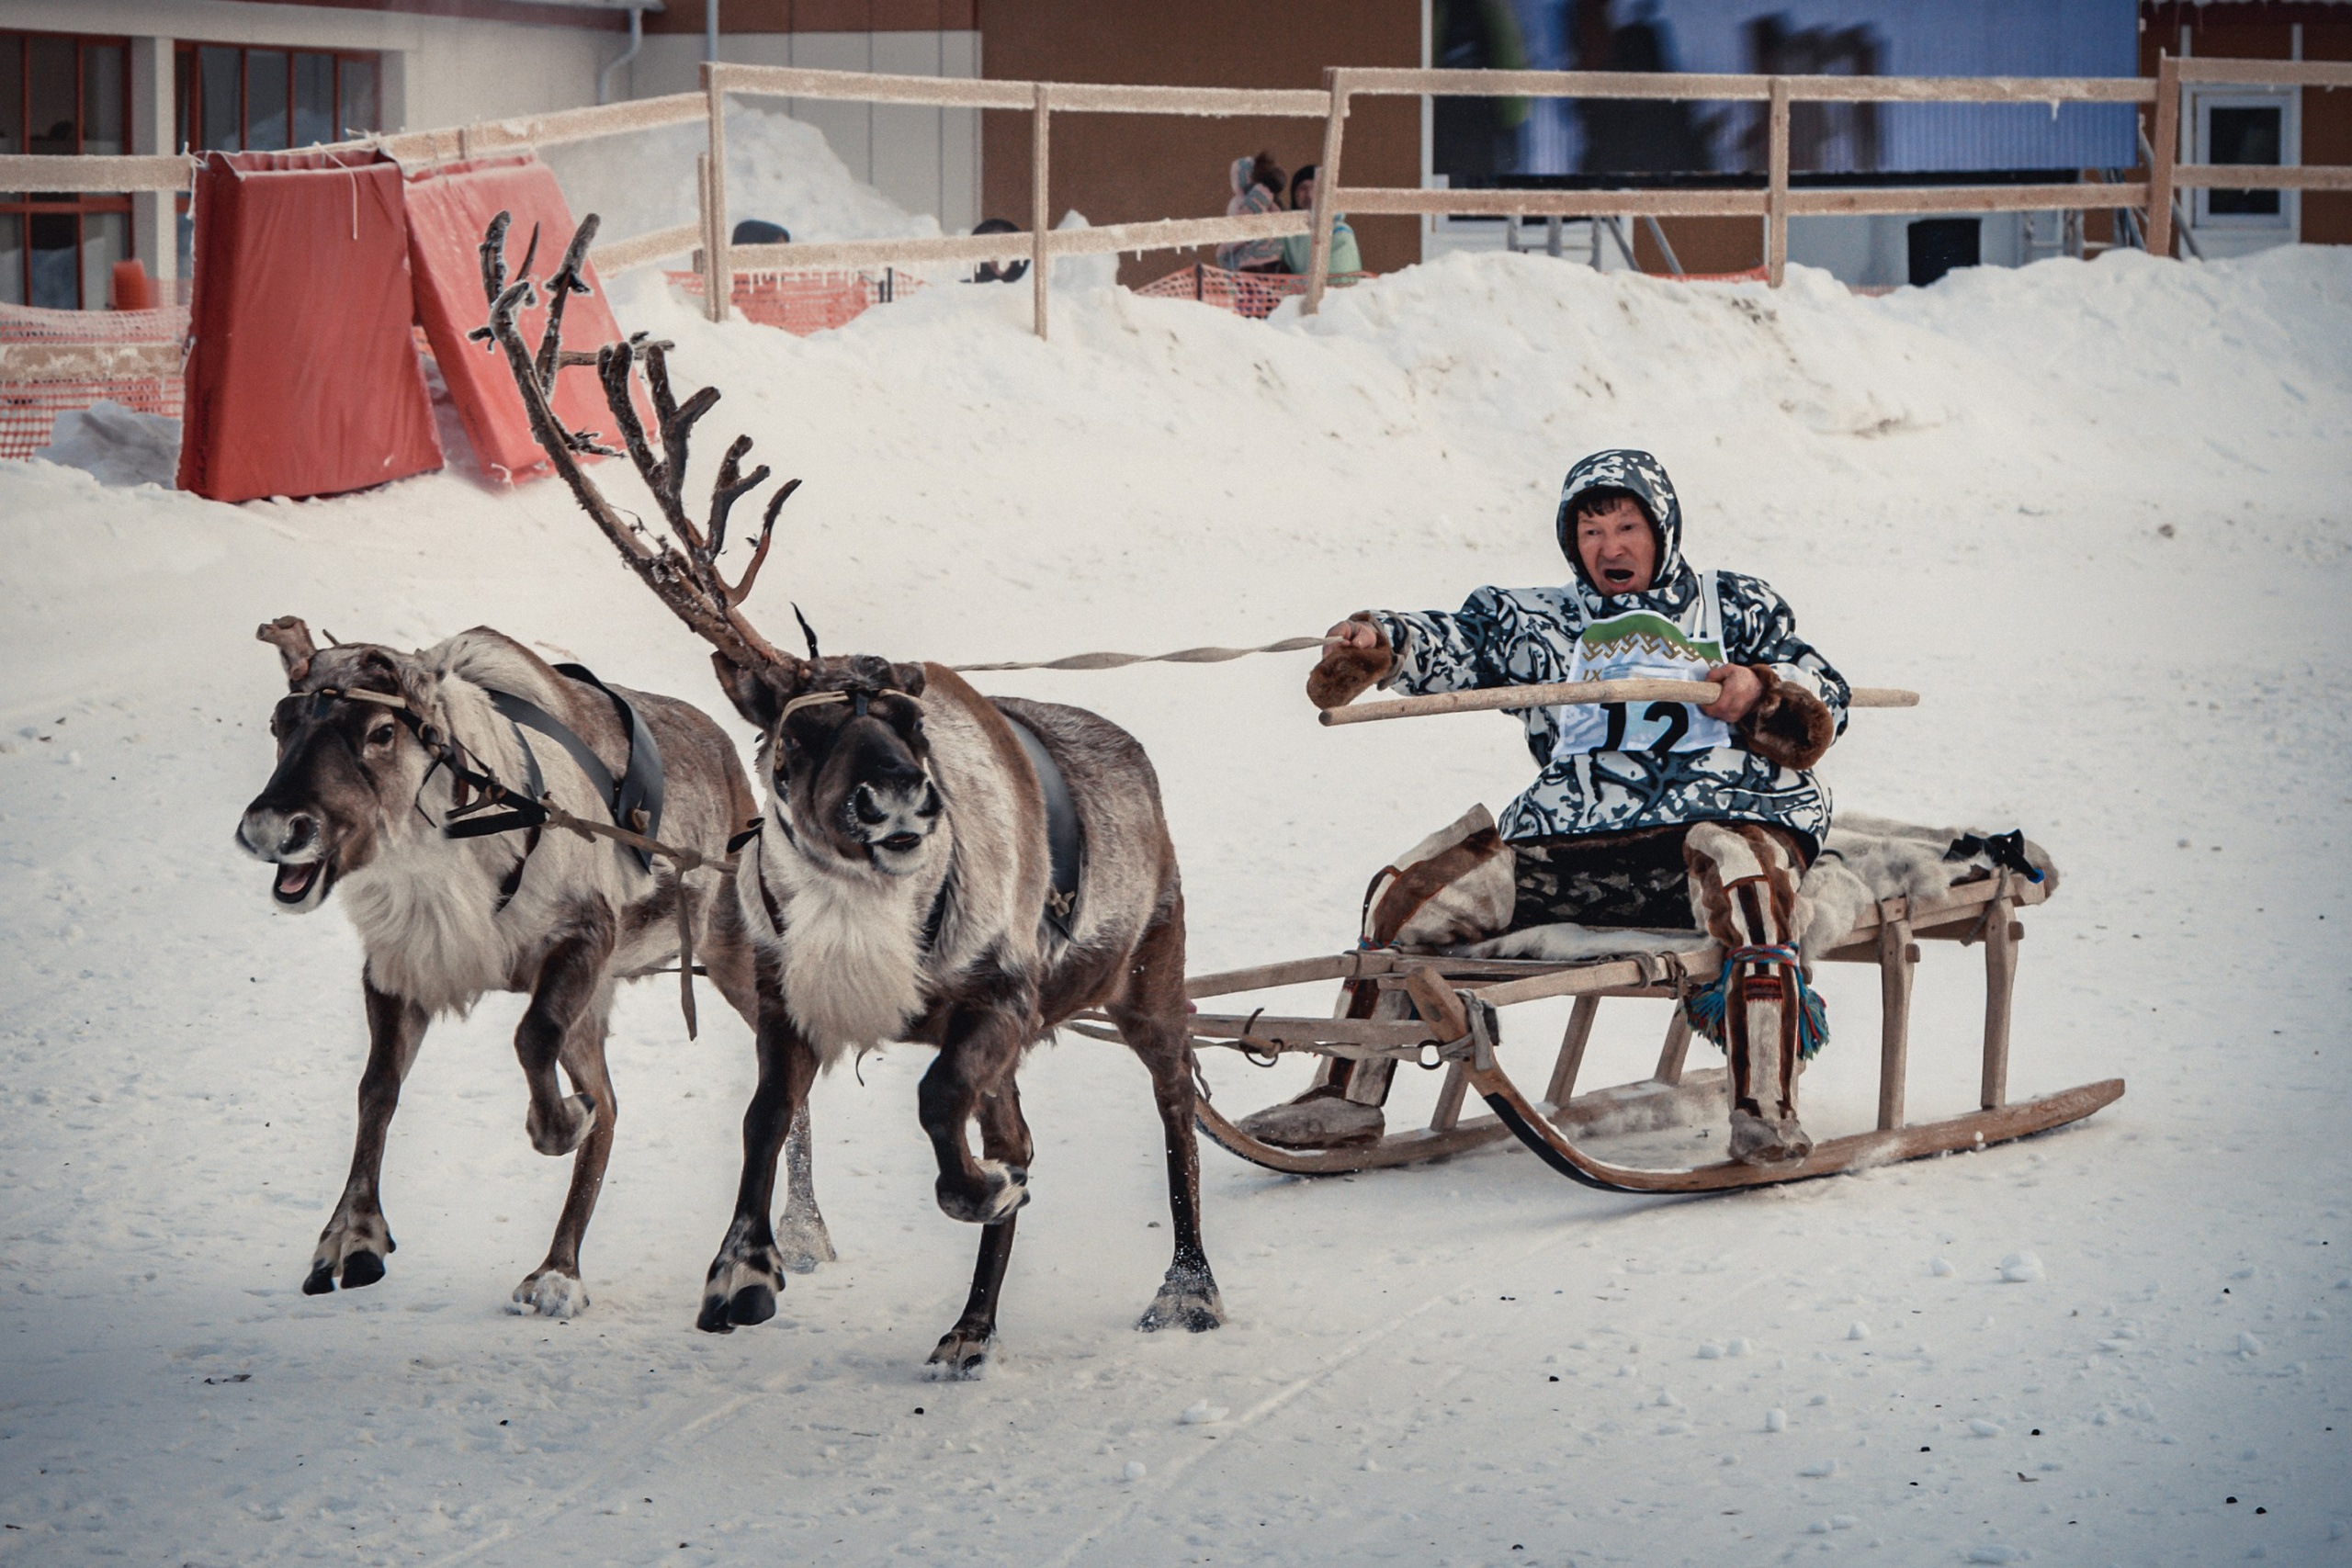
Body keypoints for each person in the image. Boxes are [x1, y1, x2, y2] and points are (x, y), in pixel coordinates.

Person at [1267, 449, 1848, 1166]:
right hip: (1574, 845)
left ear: (1661, 528)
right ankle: (1343, 1096)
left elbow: (1823, 685)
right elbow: (1463, 640)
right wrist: (1384, 642)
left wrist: (1763, 689)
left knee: (1751, 883)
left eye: (1628, 526)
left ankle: (1767, 1106)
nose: (1611, 547)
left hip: (1714, 826)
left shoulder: (1734, 606)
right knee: (1404, 896)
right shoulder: (1541, 622)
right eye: (1592, 532)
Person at [1276, 164, 1362, 276]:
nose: (1309, 195)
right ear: (1294, 195)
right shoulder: (1287, 234)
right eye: (1303, 188)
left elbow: (1343, 272)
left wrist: (1296, 281)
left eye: (1315, 188)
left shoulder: (1340, 231)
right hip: (1297, 292)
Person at [1216, 152, 1288, 273]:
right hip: (1260, 255)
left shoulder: (1258, 195)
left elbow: (1243, 224)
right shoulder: (1264, 197)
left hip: (1255, 257)